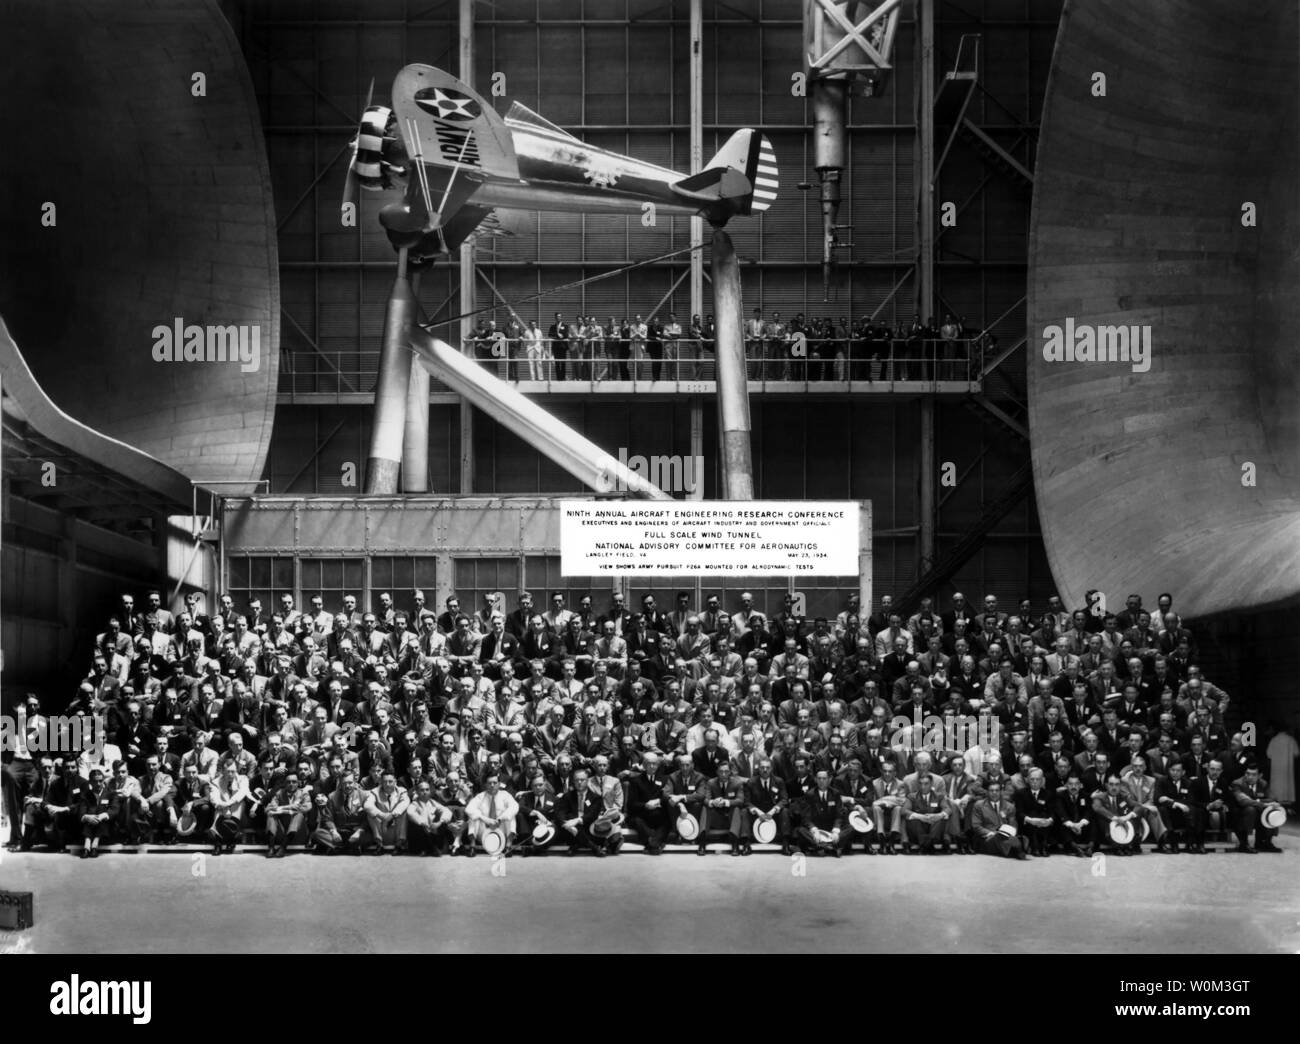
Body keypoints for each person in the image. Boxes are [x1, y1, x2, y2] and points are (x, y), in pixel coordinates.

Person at [1231, 765, 1283, 853]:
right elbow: (1242, 801)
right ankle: (1244, 844)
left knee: (1273, 809)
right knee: (1251, 809)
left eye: (1254, 774)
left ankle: (1265, 842)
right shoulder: (1237, 783)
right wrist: (1262, 803)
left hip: (1257, 812)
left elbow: (1273, 799)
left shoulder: (1263, 783)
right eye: (1247, 774)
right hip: (1240, 814)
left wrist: (1259, 801)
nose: (1250, 777)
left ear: (1260, 776)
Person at [464, 772, 519, 857]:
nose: (492, 785)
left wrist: (500, 818)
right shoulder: (480, 796)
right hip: (483, 832)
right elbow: (468, 809)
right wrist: (485, 819)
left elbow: (515, 806)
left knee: (510, 815)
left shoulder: (505, 795)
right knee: (474, 816)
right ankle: (472, 846)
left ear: (499, 784)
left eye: (495, 783)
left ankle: (508, 847)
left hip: (501, 830)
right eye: (489, 783)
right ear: (485, 785)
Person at [970, 779, 1027, 859]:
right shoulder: (979, 805)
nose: (994, 793)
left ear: (1001, 792)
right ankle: (1016, 849)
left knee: (1005, 837)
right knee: (998, 837)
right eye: (991, 790)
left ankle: (1012, 847)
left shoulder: (1009, 806)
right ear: (987, 792)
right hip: (987, 838)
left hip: (1005, 835)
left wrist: (1010, 832)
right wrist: (991, 833)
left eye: (997, 790)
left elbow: (1013, 825)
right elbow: (976, 826)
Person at [264, 770, 311, 857]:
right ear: (285, 783)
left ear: (298, 783)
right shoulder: (279, 793)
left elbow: (307, 807)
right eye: (288, 782)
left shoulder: (304, 794)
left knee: (299, 815)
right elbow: (270, 809)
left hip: (298, 832)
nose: (291, 784)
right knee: (271, 815)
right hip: (281, 831)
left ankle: (283, 848)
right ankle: (271, 847)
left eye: (294, 782)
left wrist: (281, 809)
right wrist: (289, 808)